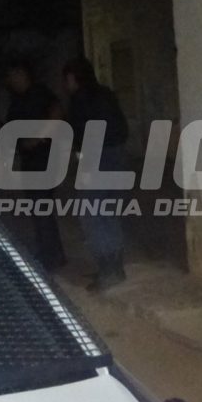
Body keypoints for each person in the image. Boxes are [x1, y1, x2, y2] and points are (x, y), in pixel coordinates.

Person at [62, 56, 128, 291]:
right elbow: (121, 127)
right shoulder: (106, 94)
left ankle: (108, 269)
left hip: (96, 156)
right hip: (116, 153)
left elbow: (79, 131)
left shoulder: (81, 99)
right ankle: (115, 267)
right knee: (107, 211)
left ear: (74, 78)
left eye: (67, 79)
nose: (66, 84)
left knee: (90, 212)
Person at [4, 61, 67, 271]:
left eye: (14, 75)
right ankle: (52, 252)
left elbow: (57, 112)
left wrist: (39, 137)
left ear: (23, 75)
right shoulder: (17, 99)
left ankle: (51, 257)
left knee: (41, 207)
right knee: (39, 208)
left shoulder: (39, 93)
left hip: (44, 158)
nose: (11, 81)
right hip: (29, 160)